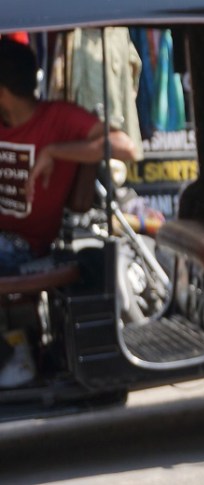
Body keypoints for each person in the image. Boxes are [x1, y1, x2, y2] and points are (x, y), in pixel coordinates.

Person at [0, 37, 137, 386]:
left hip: (24, 247)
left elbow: (126, 147)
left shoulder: (58, 118)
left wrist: (55, 151)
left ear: (3, 92)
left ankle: (13, 353)